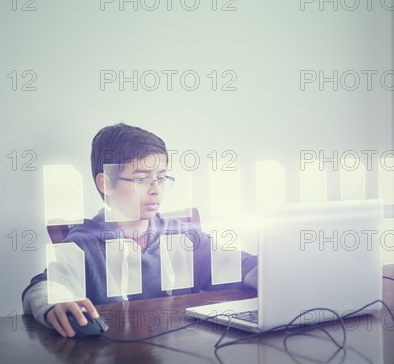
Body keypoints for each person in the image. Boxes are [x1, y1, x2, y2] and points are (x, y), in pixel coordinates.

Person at [22, 123, 258, 338]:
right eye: (141, 179)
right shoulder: (85, 242)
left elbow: (242, 265)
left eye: (162, 178)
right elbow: (43, 287)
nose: (156, 189)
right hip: (112, 362)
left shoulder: (184, 237)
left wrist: (271, 272)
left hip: (180, 359)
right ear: (106, 184)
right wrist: (56, 303)